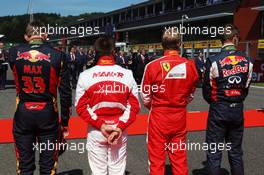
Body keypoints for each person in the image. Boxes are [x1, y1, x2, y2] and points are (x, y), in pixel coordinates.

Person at [8, 21, 72, 174]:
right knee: (48, 166)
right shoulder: (58, 55)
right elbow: (65, 92)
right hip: (48, 115)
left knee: (24, 166)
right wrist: (64, 122)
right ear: (46, 35)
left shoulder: (13, 53)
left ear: (26, 36)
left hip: (23, 113)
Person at [75, 36, 140, 175]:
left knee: (98, 172)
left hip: (97, 130)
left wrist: (101, 125)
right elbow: (134, 106)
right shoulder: (127, 74)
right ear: (114, 52)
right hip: (119, 129)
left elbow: (80, 107)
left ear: (95, 52)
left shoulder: (85, 75)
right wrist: (119, 127)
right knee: (117, 171)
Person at [141, 28, 199, 175]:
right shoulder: (190, 65)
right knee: (179, 159)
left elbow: (145, 96)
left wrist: (156, 106)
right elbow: (191, 94)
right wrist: (179, 103)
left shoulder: (152, 66)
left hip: (158, 117)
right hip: (179, 117)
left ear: (162, 45)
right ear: (179, 44)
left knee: (156, 160)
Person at [203, 24, 253, 175]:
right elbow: (245, 88)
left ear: (221, 40)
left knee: (214, 153)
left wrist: (217, 102)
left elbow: (207, 91)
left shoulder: (212, 60)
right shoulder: (247, 60)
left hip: (218, 110)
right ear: (235, 38)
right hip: (237, 110)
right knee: (236, 152)